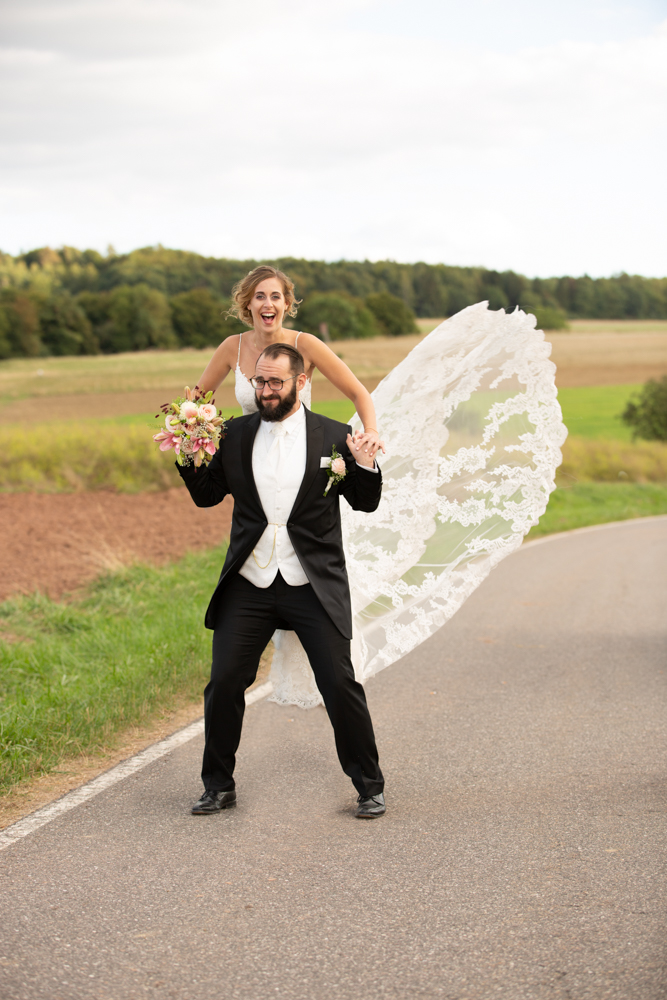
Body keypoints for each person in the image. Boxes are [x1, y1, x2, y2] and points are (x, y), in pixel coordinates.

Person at [178, 342, 387, 819]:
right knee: (226, 681)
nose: (267, 391)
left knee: (338, 682)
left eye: (276, 382)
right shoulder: (232, 435)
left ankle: (369, 785)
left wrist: (364, 463)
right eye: (260, 382)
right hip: (249, 581)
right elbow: (207, 497)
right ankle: (218, 785)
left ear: (301, 383)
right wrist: (191, 454)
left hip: (311, 583)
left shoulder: (336, 436)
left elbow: (365, 502)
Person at [196, 264, 384, 460]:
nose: (268, 304)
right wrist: (200, 436)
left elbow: (358, 392)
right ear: (248, 303)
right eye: (260, 296)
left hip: (302, 455)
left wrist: (371, 431)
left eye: (275, 296)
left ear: (286, 303)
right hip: (252, 459)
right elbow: (194, 401)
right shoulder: (232, 347)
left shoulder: (306, 344)